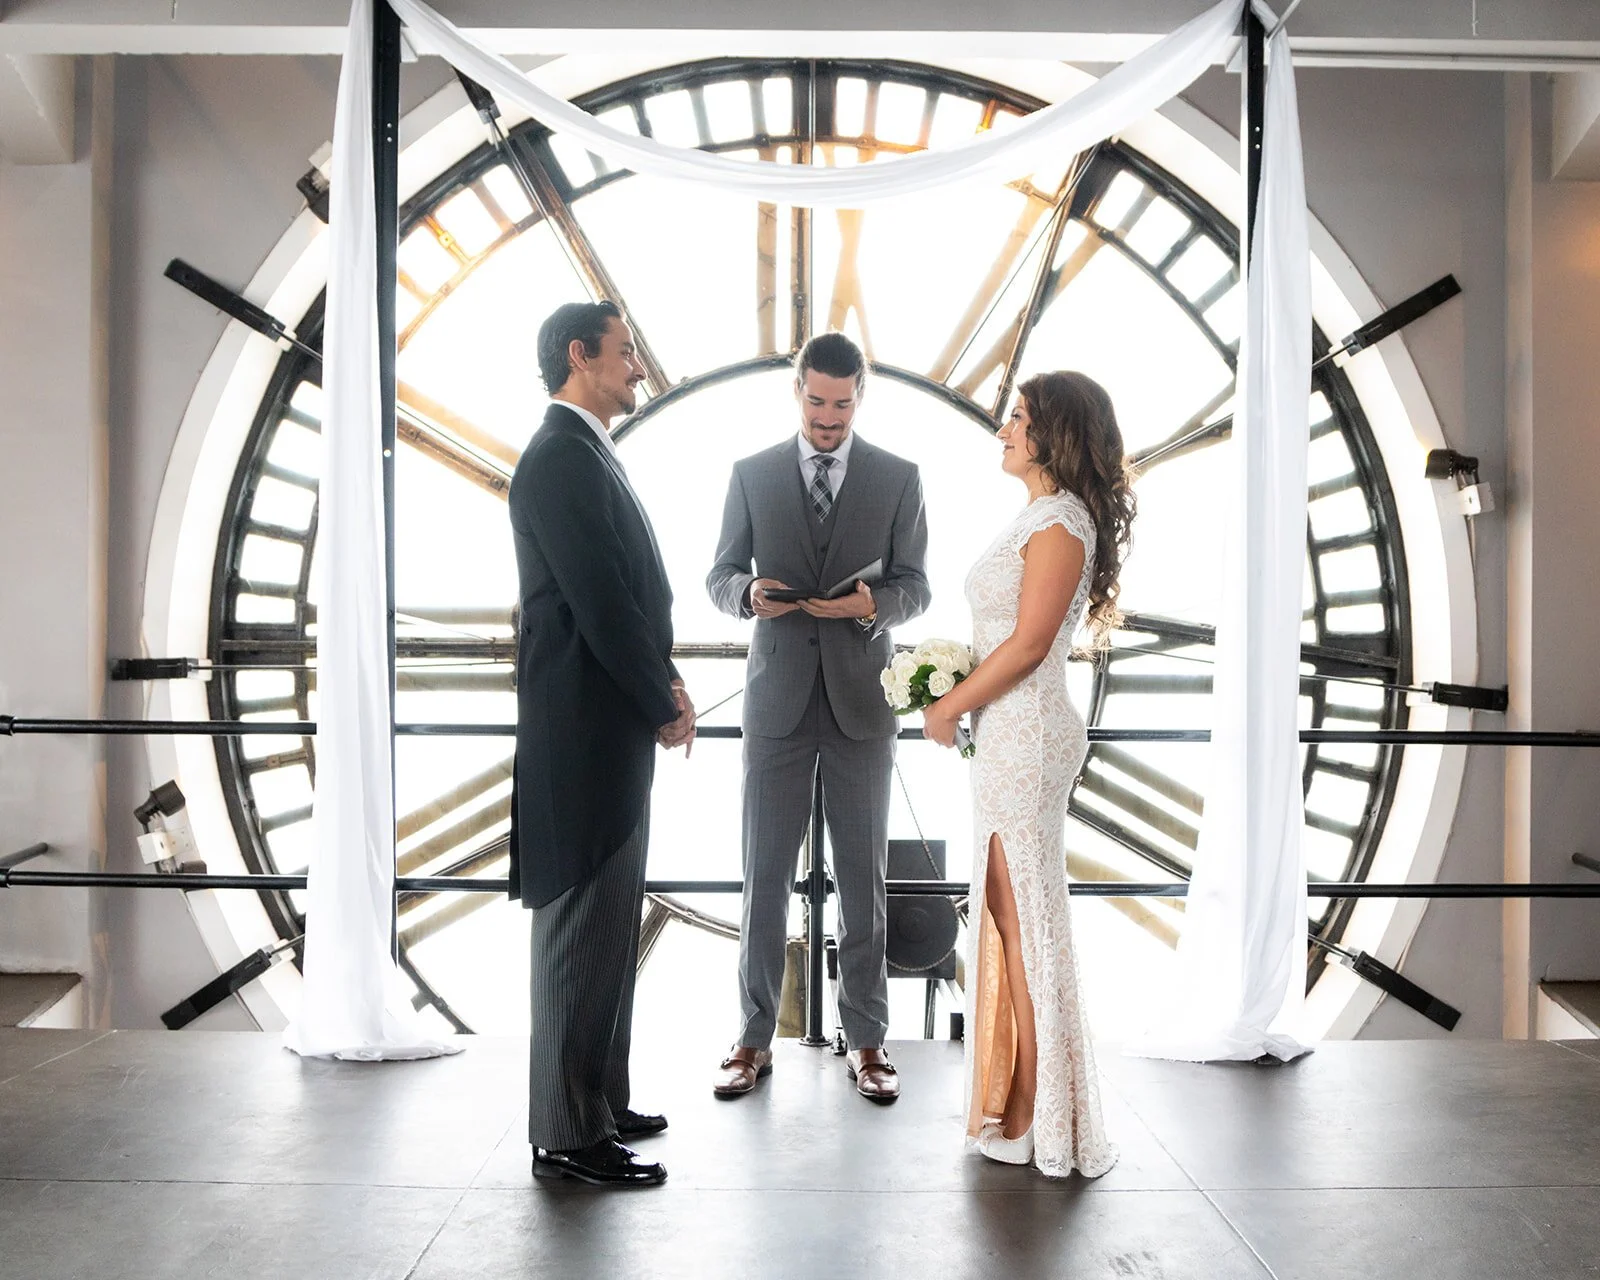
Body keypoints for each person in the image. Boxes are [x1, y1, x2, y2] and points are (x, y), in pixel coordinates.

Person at [706, 332, 931, 1103]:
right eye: (816, 401)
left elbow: (916, 586)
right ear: (796, 391)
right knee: (762, 879)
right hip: (775, 704)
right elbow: (718, 574)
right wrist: (747, 595)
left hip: (863, 705)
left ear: (860, 394)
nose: (828, 417)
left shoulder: (899, 478)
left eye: (841, 403)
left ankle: (867, 1042)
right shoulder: (751, 474)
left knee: (864, 883)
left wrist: (875, 603)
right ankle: (750, 1039)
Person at [921, 370, 1134, 1179]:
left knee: (1025, 921)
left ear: (1056, 433)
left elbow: (1030, 645)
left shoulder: (1059, 520)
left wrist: (946, 708)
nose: (1004, 430)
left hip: (1027, 732)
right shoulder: (1046, 517)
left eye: (1018, 418)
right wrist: (957, 692)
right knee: (1013, 920)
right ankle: (1027, 1105)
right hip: (1011, 731)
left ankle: (1043, 1114)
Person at [508, 300, 695, 1188]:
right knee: (581, 929)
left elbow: (625, 595)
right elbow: (602, 603)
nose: (638, 369)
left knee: (609, 926)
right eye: (626, 352)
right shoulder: (559, 457)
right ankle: (566, 1134)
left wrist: (666, 685)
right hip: (586, 734)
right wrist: (661, 698)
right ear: (580, 356)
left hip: (602, 729)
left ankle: (600, 1101)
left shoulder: (581, 452)